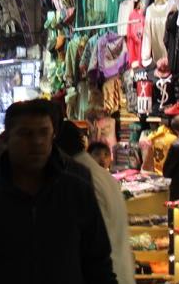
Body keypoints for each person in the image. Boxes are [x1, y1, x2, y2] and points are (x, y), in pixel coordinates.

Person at [0, 99, 117, 283]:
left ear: (53, 135)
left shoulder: (77, 193)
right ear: (6, 137)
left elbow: (99, 267)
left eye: (44, 132)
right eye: (26, 134)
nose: (37, 141)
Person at [55, 121, 135, 284]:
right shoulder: (102, 176)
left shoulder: (82, 181)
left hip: (108, 276)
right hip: (120, 272)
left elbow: (95, 243)